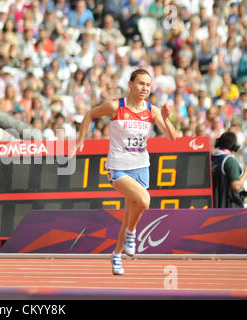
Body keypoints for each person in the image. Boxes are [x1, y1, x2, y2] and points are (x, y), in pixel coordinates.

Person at [75, 69, 176, 275]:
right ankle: (131, 233)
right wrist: (81, 140)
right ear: (130, 84)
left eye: (148, 85)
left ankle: (116, 255)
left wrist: (166, 119)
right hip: (118, 166)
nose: (144, 88)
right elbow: (89, 114)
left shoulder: (152, 110)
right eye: (140, 84)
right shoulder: (116, 106)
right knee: (145, 201)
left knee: (129, 215)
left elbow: (172, 137)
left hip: (141, 167)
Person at [211, 131, 246, 208]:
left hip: (213, 205)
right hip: (228, 207)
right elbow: (236, 186)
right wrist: (246, 173)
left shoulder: (211, 157)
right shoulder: (229, 160)